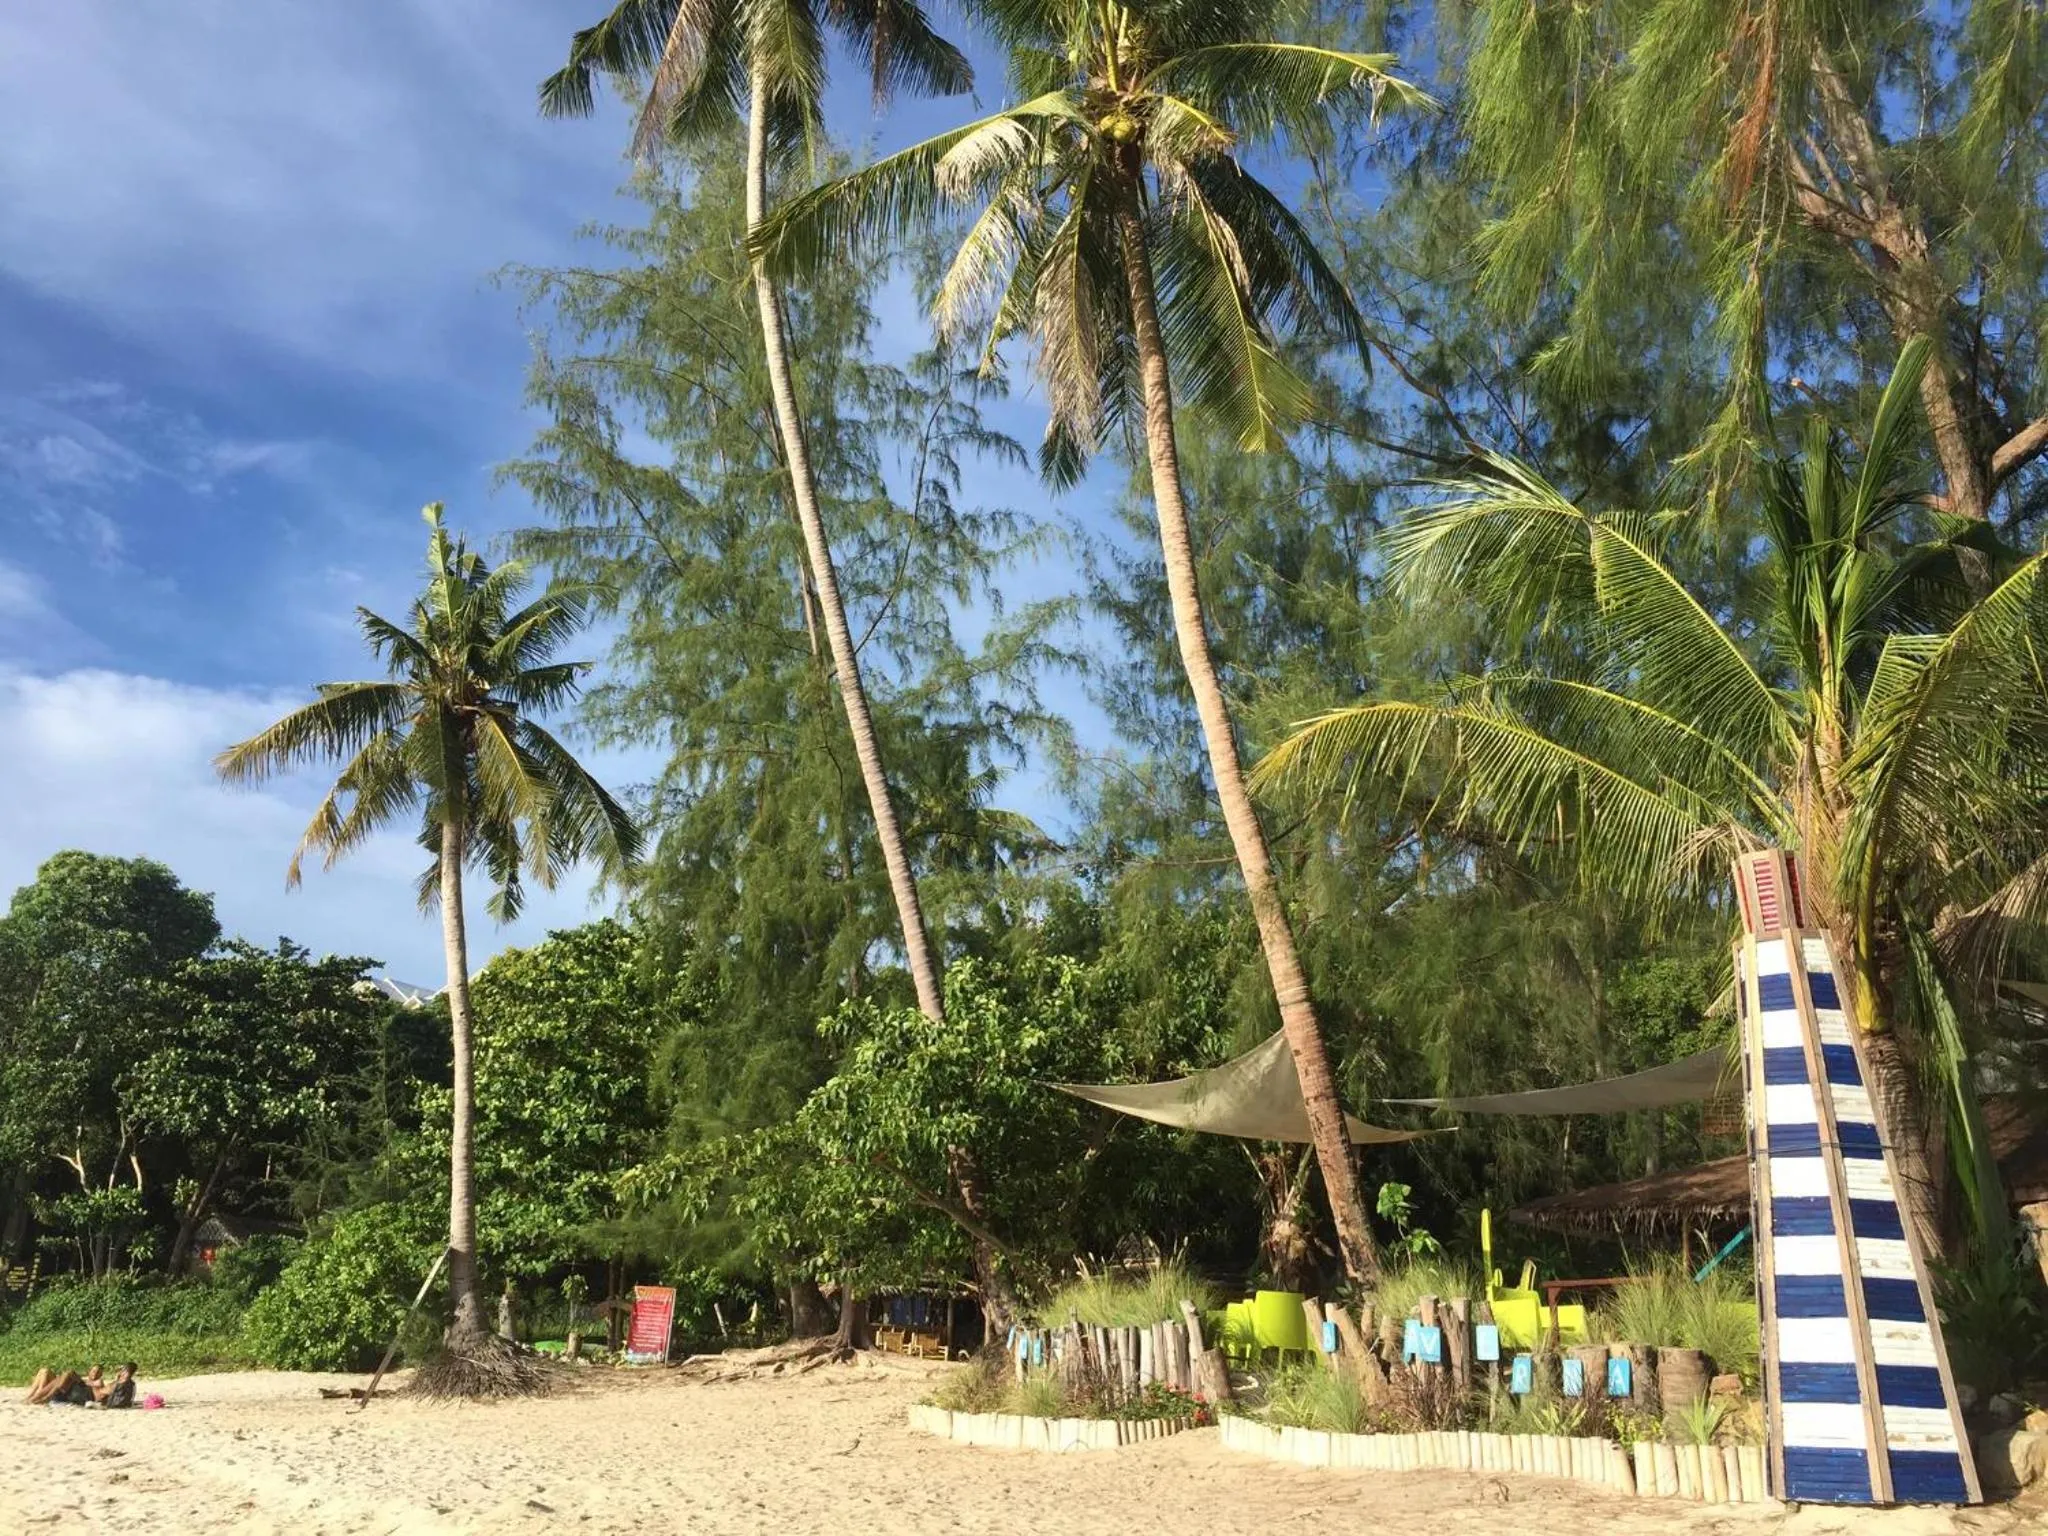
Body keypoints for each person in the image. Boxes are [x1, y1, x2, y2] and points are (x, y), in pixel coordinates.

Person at [24, 1365, 102, 1406]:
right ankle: (30, 1396)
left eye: (98, 1372)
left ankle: (37, 1396)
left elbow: (96, 1385)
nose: (95, 1373)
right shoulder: (84, 1379)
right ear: (89, 1371)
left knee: (67, 1374)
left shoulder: (99, 1381)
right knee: (44, 1371)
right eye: (94, 1371)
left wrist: (78, 1379)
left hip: (62, 1391)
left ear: (101, 1375)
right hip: (59, 1386)